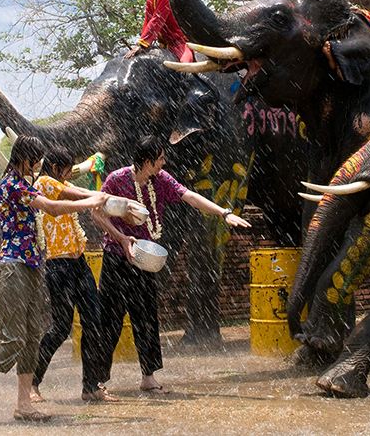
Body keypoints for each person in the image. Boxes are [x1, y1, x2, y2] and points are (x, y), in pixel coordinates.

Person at [0, 135, 109, 425]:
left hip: (33, 266)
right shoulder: (12, 186)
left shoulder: (23, 183)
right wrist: (91, 202)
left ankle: (23, 403)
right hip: (13, 268)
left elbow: (59, 192)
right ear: (24, 158)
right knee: (13, 339)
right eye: (35, 159)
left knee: (32, 338)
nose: (38, 165)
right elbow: (51, 206)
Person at [90, 136, 251, 395]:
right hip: (118, 257)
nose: (164, 163)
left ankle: (148, 377)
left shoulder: (161, 179)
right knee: (110, 319)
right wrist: (120, 239)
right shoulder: (116, 180)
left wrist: (224, 213)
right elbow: (95, 213)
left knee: (147, 317)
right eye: (160, 159)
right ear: (147, 162)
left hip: (144, 259)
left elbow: (191, 197)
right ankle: (96, 381)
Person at [30, 147, 128, 404]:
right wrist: (101, 197)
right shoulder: (44, 183)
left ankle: (90, 386)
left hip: (79, 264)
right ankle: (32, 383)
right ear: (54, 167)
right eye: (65, 170)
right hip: (57, 266)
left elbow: (79, 192)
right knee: (61, 328)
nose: (67, 176)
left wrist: (101, 196)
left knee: (94, 323)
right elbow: (74, 193)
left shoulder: (59, 182)